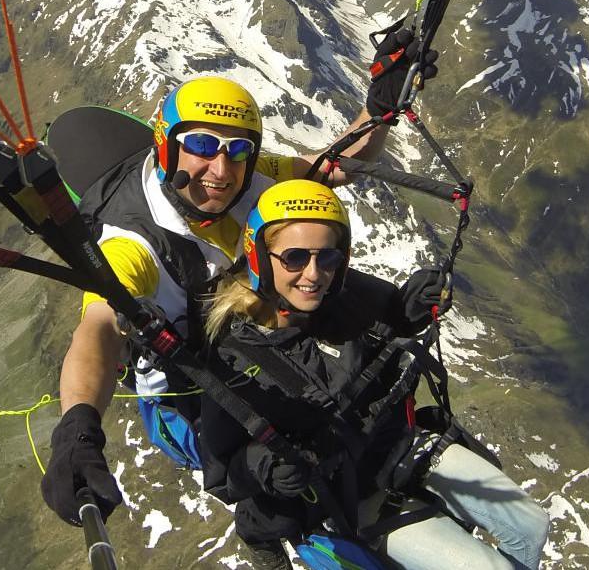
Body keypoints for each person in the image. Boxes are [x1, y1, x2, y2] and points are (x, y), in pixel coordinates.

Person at [41, 61, 418, 526]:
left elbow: (330, 168)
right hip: (188, 388)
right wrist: (78, 429)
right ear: (166, 146)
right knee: (285, 477)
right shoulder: (133, 245)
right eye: (201, 146)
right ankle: (272, 531)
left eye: (237, 149)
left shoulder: (248, 173)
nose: (220, 170)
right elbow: (99, 327)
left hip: (253, 332)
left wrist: (378, 111)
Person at [199, 179, 551, 570]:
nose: (314, 274)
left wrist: (411, 309)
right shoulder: (235, 356)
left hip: (401, 443)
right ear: (261, 259)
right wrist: (265, 465)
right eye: (294, 258)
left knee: (532, 526)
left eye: (328, 258)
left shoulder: (346, 297)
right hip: (347, 495)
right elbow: (221, 471)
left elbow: (391, 320)